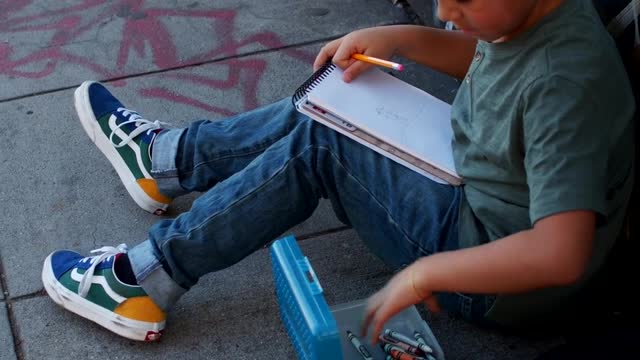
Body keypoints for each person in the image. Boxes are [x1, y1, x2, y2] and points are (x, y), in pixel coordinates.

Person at [42, 0, 635, 345]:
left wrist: (429, 272)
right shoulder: (532, 15)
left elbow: (561, 253)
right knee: (333, 104)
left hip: (495, 272)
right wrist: (396, 38)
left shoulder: (565, 83)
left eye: (465, 0)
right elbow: (490, 57)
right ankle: (167, 163)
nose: (446, 11)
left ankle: (143, 280)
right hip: (477, 188)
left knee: (323, 145)